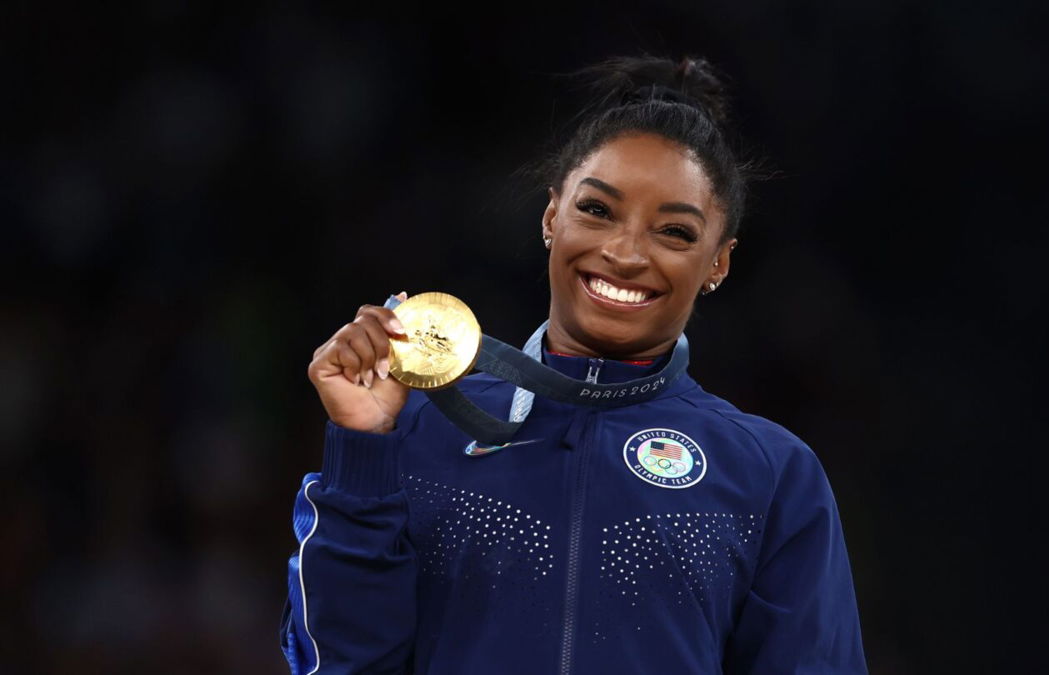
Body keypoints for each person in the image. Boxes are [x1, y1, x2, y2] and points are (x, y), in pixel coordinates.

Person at [280, 54, 868, 674]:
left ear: (718, 262)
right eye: (597, 210)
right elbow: (342, 663)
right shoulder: (419, 428)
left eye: (674, 232)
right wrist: (363, 448)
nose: (624, 252)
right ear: (551, 215)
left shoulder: (771, 474)